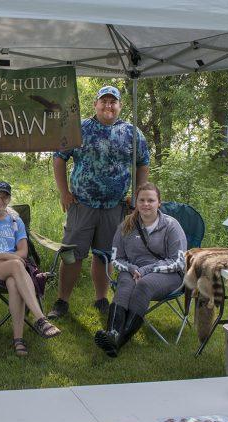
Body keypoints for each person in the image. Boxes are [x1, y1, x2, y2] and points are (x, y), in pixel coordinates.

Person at [49, 85, 150, 320]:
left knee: (104, 255)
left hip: (115, 207)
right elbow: (59, 158)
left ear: (119, 106)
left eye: (113, 101)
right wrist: (64, 193)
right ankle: (62, 301)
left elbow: (142, 163)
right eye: (103, 101)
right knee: (72, 254)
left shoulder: (132, 133)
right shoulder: (79, 129)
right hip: (82, 204)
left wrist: (137, 195)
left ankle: (101, 298)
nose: (108, 105)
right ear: (95, 104)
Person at [0, 181, 61, 356]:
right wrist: (9, 257)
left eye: (4, 197)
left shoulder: (15, 220)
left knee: (13, 282)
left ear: (9, 199)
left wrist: (6, 259)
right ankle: (41, 319)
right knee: (17, 264)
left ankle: (18, 340)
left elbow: (24, 251)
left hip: (12, 270)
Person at [94, 182, 186, 357]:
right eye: (142, 200)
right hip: (133, 270)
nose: (146, 204)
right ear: (136, 203)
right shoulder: (125, 226)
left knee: (144, 285)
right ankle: (112, 334)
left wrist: (146, 270)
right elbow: (116, 258)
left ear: (159, 203)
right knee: (125, 285)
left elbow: (179, 262)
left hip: (168, 274)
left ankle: (118, 342)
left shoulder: (171, 226)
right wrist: (131, 268)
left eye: (151, 200)